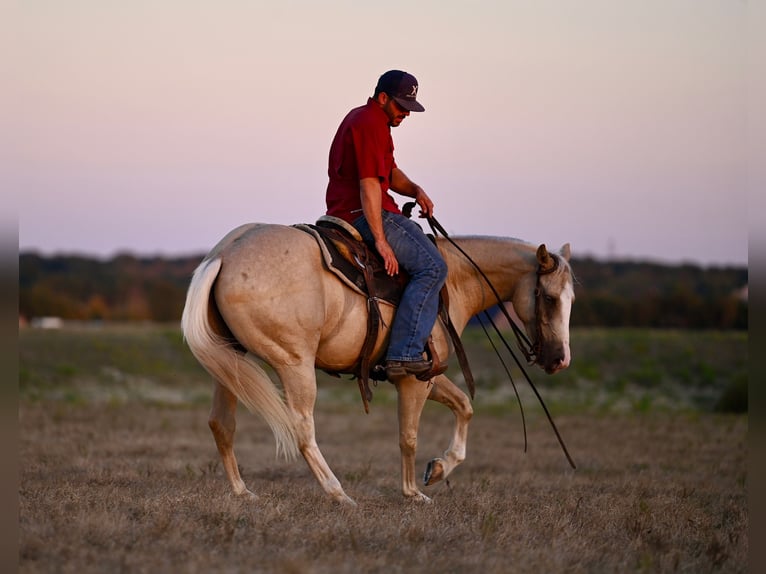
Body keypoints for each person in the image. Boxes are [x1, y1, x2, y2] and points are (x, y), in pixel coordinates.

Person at [325, 70, 448, 381]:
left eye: (409, 107)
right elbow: (369, 184)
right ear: (382, 98)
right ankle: (404, 353)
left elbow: (388, 173)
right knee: (433, 267)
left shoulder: (373, 122)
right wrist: (380, 239)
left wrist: (415, 189)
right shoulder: (369, 123)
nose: (406, 113)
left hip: (360, 209)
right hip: (365, 212)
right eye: (401, 106)